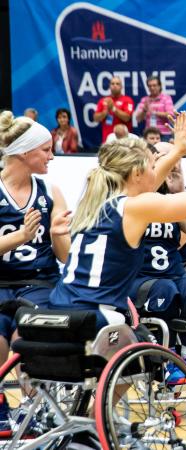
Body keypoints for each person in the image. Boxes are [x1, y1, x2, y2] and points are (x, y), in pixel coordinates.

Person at [47, 111, 186, 337]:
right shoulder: (135, 207)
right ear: (137, 173)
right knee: (151, 350)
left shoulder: (96, 199)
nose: (155, 171)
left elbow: (147, 183)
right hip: (97, 316)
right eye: (152, 165)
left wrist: (178, 151)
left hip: (58, 308)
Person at [0, 112, 72, 407]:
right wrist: (19, 236)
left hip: (39, 281)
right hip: (2, 282)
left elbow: (65, 256)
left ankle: (36, 408)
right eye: (46, 150)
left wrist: (58, 234)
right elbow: (19, 238)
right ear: (25, 152)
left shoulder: (50, 192)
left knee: (27, 332)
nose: (51, 157)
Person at [128, 142, 186, 385]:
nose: (172, 162)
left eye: (175, 157)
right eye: (165, 156)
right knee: (167, 291)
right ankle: (169, 358)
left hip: (171, 275)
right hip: (140, 279)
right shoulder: (133, 198)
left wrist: (183, 194)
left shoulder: (172, 199)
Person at [93, 76, 134, 144]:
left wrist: (113, 109)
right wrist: (105, 112)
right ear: (109, 86)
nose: (115, 86)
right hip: (107, 140)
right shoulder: (103, 100)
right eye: (112, 84)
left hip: (123, 139)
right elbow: (95, 118)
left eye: (117, 84)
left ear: (121, 87)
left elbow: (127, 118)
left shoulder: (127, 100)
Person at [134, 76, 175, 141]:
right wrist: (144, 110)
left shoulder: (166, 98)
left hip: (164, 134)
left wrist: (154, 113)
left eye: (154, 85)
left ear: (159, 86)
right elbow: (138, 119)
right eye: (150, 86)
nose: (152, 88)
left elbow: (170, 115)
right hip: (150, 134)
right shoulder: (145, 100)